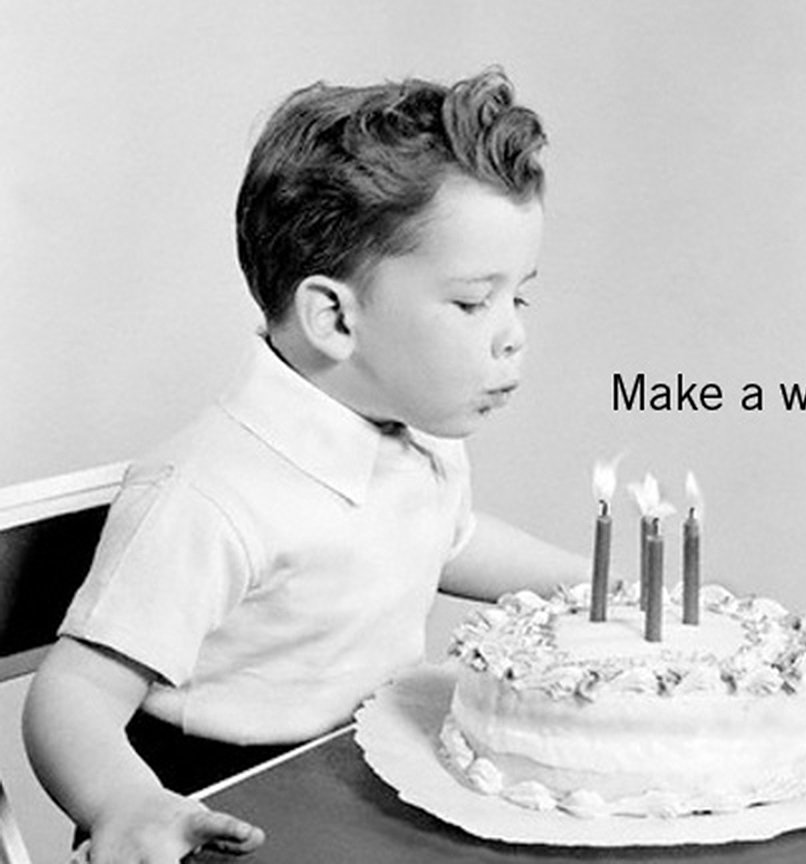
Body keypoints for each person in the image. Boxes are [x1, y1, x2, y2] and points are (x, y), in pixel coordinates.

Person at [23, 68, 589, 864]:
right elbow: (73, 694)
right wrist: (126, 805)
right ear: (333, 316)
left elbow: (444, 542)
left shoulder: (418, 439)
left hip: (355, 777)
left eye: (518, 299)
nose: (511, 336)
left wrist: (594, 579)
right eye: (472, 303)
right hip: (217, 806)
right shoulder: (211, 496)